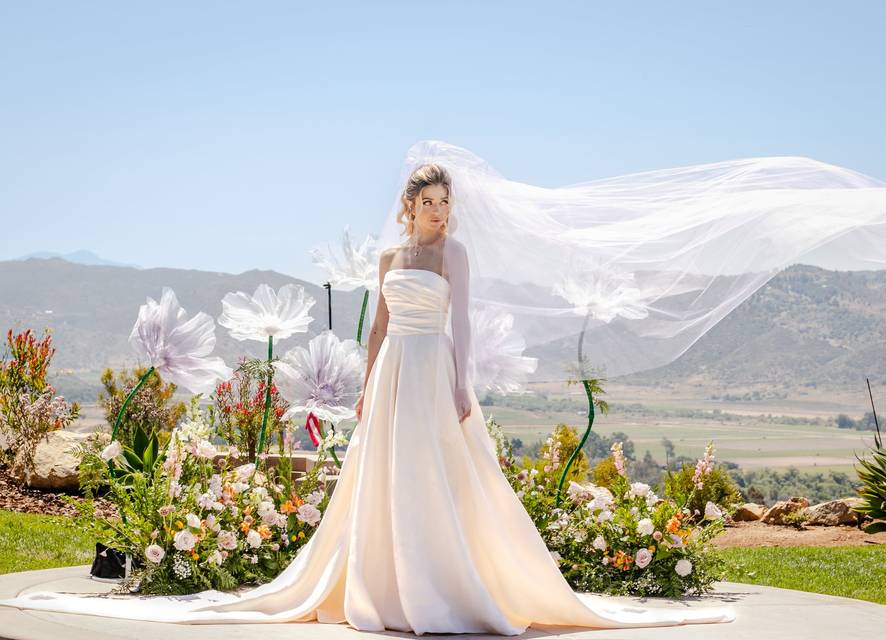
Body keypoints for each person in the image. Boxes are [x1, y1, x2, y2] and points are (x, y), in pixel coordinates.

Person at [0, 163, 737, 634]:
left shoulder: (456, 255)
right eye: (431, 202)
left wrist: (461, 387)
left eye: (448, 203)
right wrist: (363, 388)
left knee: (447, 481)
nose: (442, 212)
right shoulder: (390, 257)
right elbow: (380, 325)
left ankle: (448, 587)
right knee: (384, 480)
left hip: (436, 369)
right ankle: (382, 589)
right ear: (409, 206)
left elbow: (466, 325)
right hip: (390, 378)